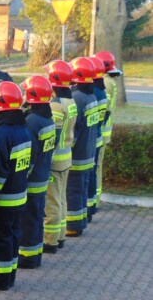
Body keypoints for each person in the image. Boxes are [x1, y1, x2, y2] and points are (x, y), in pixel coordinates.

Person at [0, 81, 32, 290]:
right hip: (20, 194)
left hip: (3, 200)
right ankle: (10, 274)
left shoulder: (1, 135)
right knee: (13, 236)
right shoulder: (24, 129)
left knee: (0, 239)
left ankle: (0, 278)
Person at [18, 76, 56, 269]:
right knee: (37, 217)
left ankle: (27, 256)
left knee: (29, 219)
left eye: (26, 92)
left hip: (32, 181)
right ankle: (36, 252)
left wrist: (21, 179)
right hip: (42, 177)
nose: (23, 95)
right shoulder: (47, 118)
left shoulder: (32, 122)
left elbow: (30, 157)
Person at [43, 60, 77, 253]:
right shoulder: (70, 100)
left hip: (55, 160)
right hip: (67, 157)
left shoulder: (56, 105)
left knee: (52, 203)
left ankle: (50, 240)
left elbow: (53, 136)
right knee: (61, 199)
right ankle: (61, 235)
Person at [66, 57, 99, 237]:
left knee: (73, 191)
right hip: (88, 152)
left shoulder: (77, 98)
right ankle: (80, 221)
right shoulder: (91, 95)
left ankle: (73, 226)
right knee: (82, 189)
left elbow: (75, 130)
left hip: (78, 155)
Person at [93, 51, 122, 213]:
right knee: (97, 167)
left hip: (100, 133)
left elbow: (103, 110)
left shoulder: (105, 83)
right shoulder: (109, 80)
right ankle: (95, 198)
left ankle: (95, 200)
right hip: (104, 133)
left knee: (96, 167)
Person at [86, 57, 109, 222]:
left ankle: (89, 207)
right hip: (97, 136)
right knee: (92, 174)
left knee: (89, 176)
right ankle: (91, 205)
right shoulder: (101, 91)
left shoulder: (92, 93)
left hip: (90, 140)